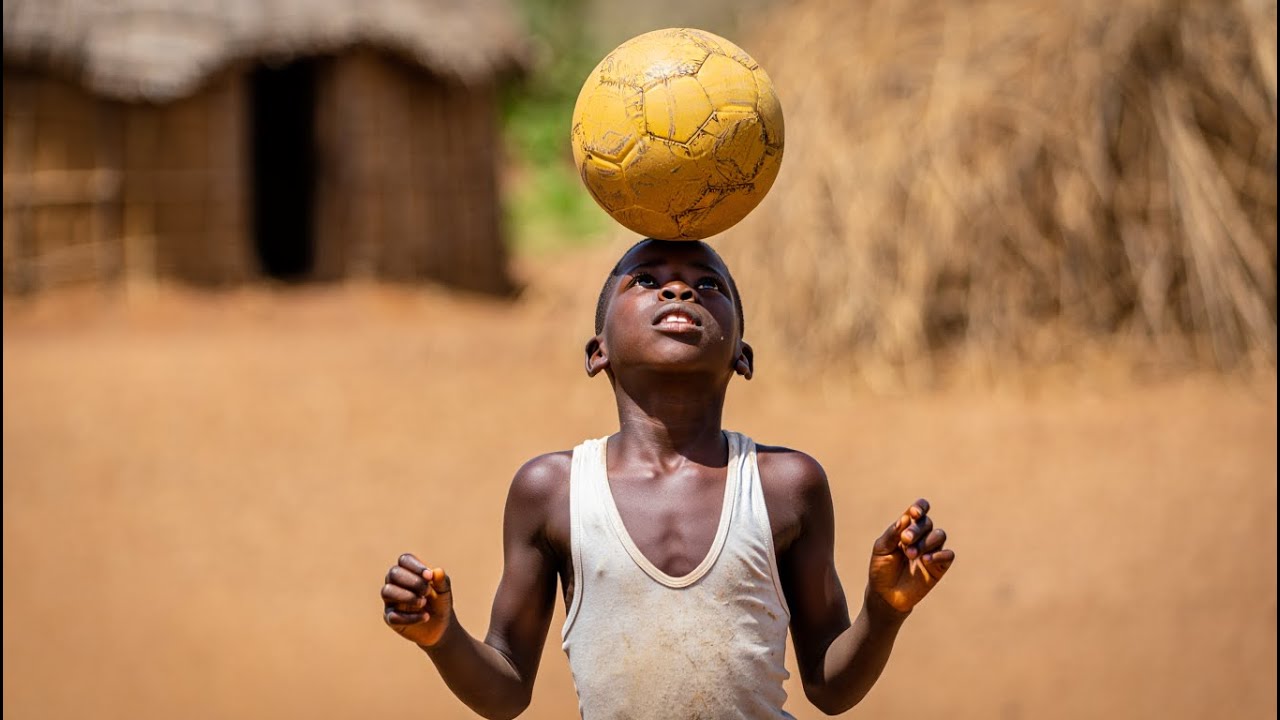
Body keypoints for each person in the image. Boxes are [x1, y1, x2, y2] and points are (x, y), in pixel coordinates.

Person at [381, 238, 955, 718]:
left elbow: (830, 687)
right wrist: (443, 635)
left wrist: (884, 611)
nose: (678, 291)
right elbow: (506, 687)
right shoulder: (553, 491)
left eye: (709, 285)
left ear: (742, 358)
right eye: (646, 281)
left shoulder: (785, 485)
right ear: (597, 351)